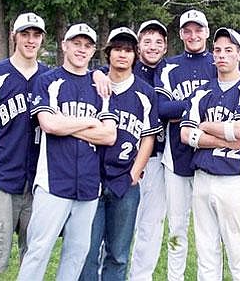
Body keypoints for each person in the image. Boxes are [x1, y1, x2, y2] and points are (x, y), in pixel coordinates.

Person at [17, 23, 118, 281]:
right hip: (53, 181)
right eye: (76, 43)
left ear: (93, 50)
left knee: (77, 253)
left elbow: (108, 135)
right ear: (64, 45)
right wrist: (90, 122)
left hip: (87, 184)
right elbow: (49, 124)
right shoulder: (49, 81)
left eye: (87, 45)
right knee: (38, 250)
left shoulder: (101, 86)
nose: (81, 50)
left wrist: (67, 125)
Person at [180, 27, 240, 280]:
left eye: (229, 50)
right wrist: (225, 140)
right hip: (203, 177)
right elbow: (186, 135)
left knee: (238, 252)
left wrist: (204, 126)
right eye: (217, 50)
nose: (221, 55)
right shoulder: (202, 92)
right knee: (206, 252)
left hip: (234, 179)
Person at [79, 26, 162, 280]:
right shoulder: (93, 84)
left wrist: (134, 175)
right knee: (87, 252)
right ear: (108, 53)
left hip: (124, 181)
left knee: (118, 254)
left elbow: (148, 137)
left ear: (135, 55)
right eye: (117, 49)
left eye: (128, 49)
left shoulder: (144, 93)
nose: (122, 54)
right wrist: (95, 75)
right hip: (91, 180)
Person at [0, 12, 49, 281]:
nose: (31, 40)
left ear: (42, 39)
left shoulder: (49, 77)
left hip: (38, 181)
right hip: (3, 178)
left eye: (36, 35)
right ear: (14, 36)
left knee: (33, 257)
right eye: (25, 34)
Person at [154, 9, 216, 280]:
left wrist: (186, 109)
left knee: (209, 231)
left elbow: (226, 104)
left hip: (211, 156)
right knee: (177, 229)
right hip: (176, 158)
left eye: (198, 29)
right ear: (181, 34)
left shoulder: (218, 62)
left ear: (207, 32)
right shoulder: (169, 66)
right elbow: (161, 109)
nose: (193, 35)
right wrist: (200, 105)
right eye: (187, 30)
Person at [129, 19, 168, 281]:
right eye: (147, 41)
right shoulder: (122, 69)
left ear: (165, 47)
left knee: (151, 227)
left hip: (157, 160)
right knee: (120, 226)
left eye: (158, 42)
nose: (153, 46)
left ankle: (141, 277)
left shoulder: (171, 72)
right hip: (123, 161)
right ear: (138, 44)